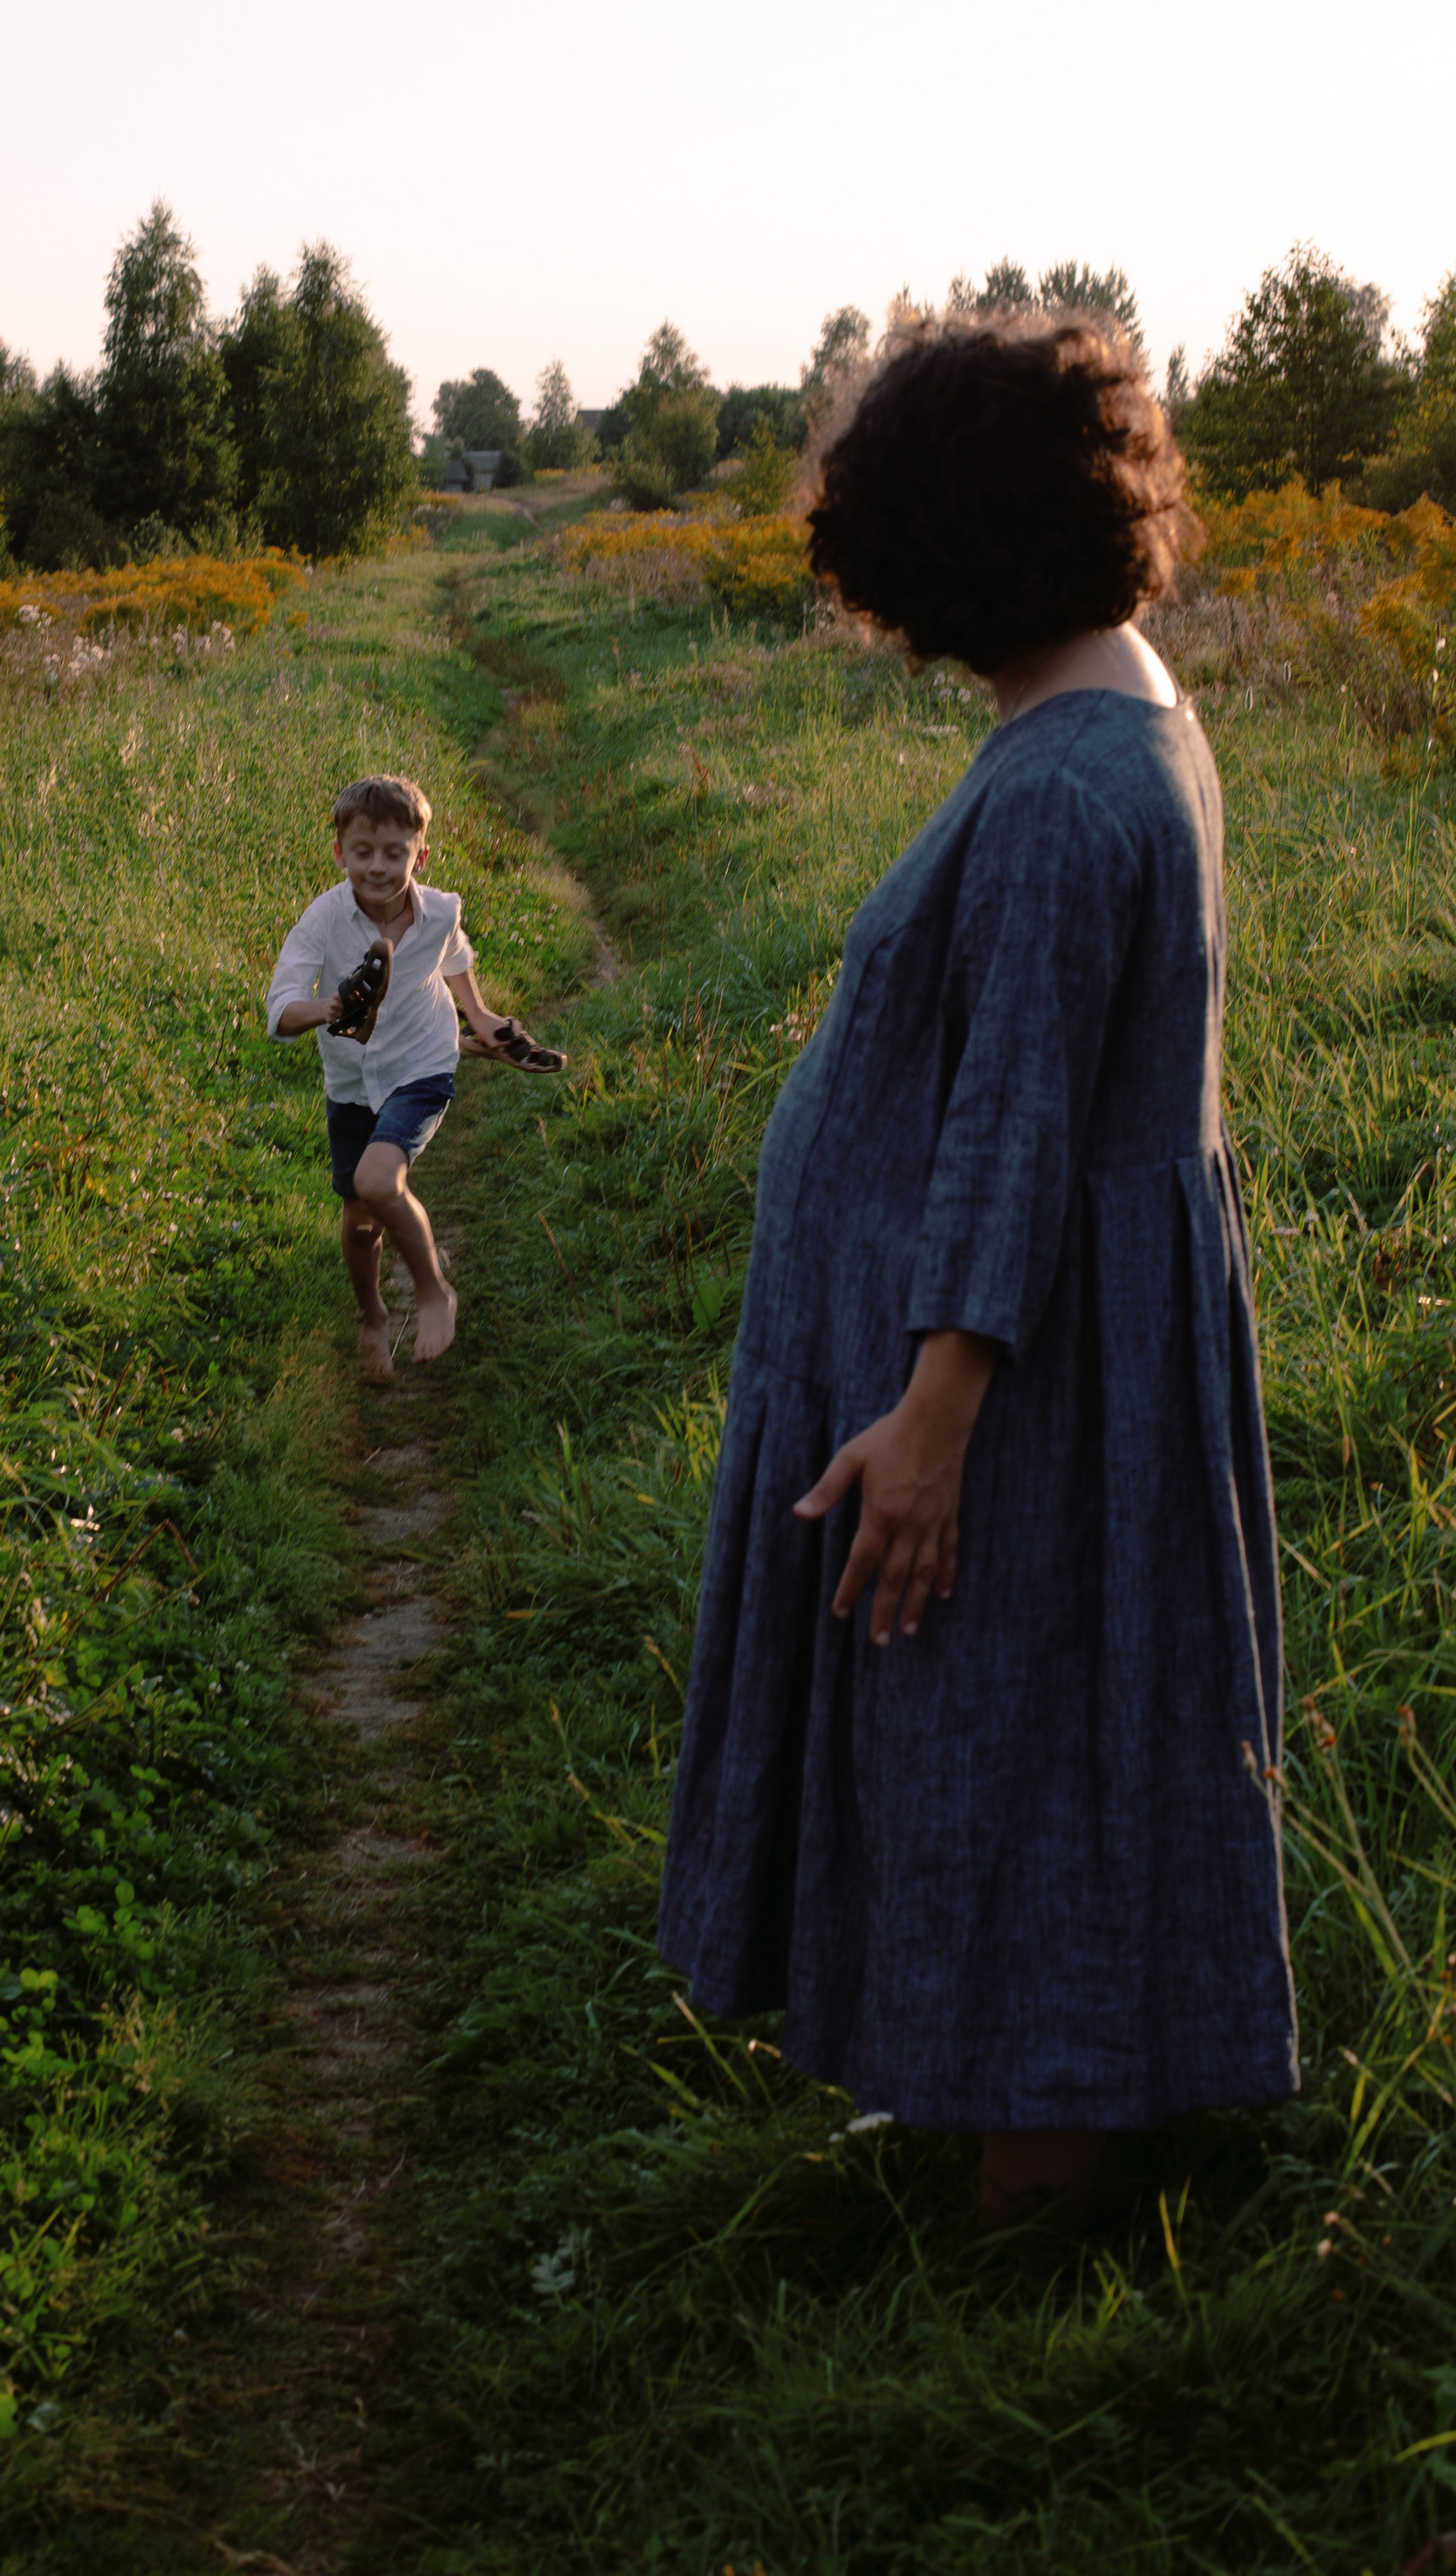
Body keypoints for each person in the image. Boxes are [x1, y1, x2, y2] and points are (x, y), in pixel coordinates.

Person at [657, 316, 1297, 2228]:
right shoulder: (1129, 719)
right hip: (1078, 1338)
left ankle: (1035, 2173)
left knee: (1012, 1731)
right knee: (1047, 1718)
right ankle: (1021, 2095)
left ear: (950, 544)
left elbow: (1015, 1122)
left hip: (1017, 1373)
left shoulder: (1047, 795)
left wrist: (931, 1420)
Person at [265, 773, 563, 1377]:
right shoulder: (323, 920)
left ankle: (432, 1290)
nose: (378, 867)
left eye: (395, 853)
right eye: (364, 852)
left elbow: (452, 956)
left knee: (378, 1181)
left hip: (423, 1065)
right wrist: (330, 1009)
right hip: (351, 1083)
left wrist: (481, 1019)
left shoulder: (439, 912)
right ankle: (372, 1315)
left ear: (419, 855)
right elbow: (280, 1008)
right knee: (359, 1220)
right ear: (340, 852)